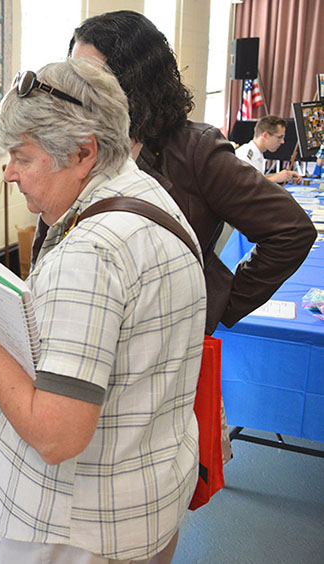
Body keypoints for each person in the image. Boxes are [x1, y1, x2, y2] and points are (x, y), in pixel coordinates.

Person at [67, 10, 317, 564]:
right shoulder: (81, 143)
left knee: (148, 506)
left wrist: (216, 304)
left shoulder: (195, 150)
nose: (75, 90)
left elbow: (290, 230)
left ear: (134, 79)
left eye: (92, 77)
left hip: (160, 363)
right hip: (91, 354)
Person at [0, 57, 206, 563]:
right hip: (146, 496)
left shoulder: (89, 253)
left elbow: (56, 434)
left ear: (82, 152)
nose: (9, 174)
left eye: (22, 157)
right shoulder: (151, 199)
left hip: (76, 530)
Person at [234, 115, 302, 183]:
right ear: (265, 135)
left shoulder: (257, 152)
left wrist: (284, 175)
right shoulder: (245, 156)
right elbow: (246, 185)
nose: (282, 141)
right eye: (279, 137)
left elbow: (257, 178)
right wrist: (275, 178)